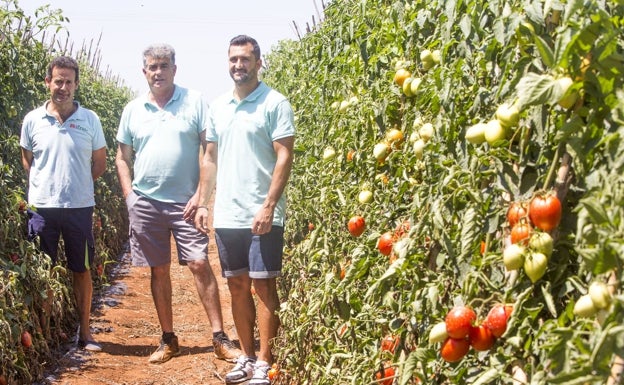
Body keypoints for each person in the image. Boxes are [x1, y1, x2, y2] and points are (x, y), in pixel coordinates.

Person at [114, 43, 240, 364]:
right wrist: (130, 196)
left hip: (186, 203)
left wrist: (201, 197)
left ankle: (219, 338)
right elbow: (122, 158)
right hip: (146, 203)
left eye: (164, 66)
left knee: (199, 263)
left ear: (174, 69)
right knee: (159, 270)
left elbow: (209, 153)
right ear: (144, 72)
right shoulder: (133, 109)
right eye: (152, 67)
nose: (158, 72)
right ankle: (168, 339)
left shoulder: (195, 102)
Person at [194, 35, 295, 385]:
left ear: (258, 62)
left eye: (246, 59)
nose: (239, 65)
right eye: (234, 59)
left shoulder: (275, 103)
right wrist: (205, 202)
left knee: (264, 286)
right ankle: (247, 358)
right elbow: (209, 158)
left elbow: (285, 155)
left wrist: (269, 205)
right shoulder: (219, 106)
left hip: (261, 214)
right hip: (228, 214)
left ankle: (265, 362)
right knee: (237, 285)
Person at [20, 56, 106, 352]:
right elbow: (26, 159)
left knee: (81, 269)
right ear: (48, 82)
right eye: (58, 81)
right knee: (42, 269)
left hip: (79, 208)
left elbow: (100, 163)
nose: (63, 87)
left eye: (69, 82)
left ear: (76, 84)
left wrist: (75, 185)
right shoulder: (32, 120)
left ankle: (85, 333)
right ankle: (44, 336)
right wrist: (46, 185)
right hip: (40, 209)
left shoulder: (90, 120)